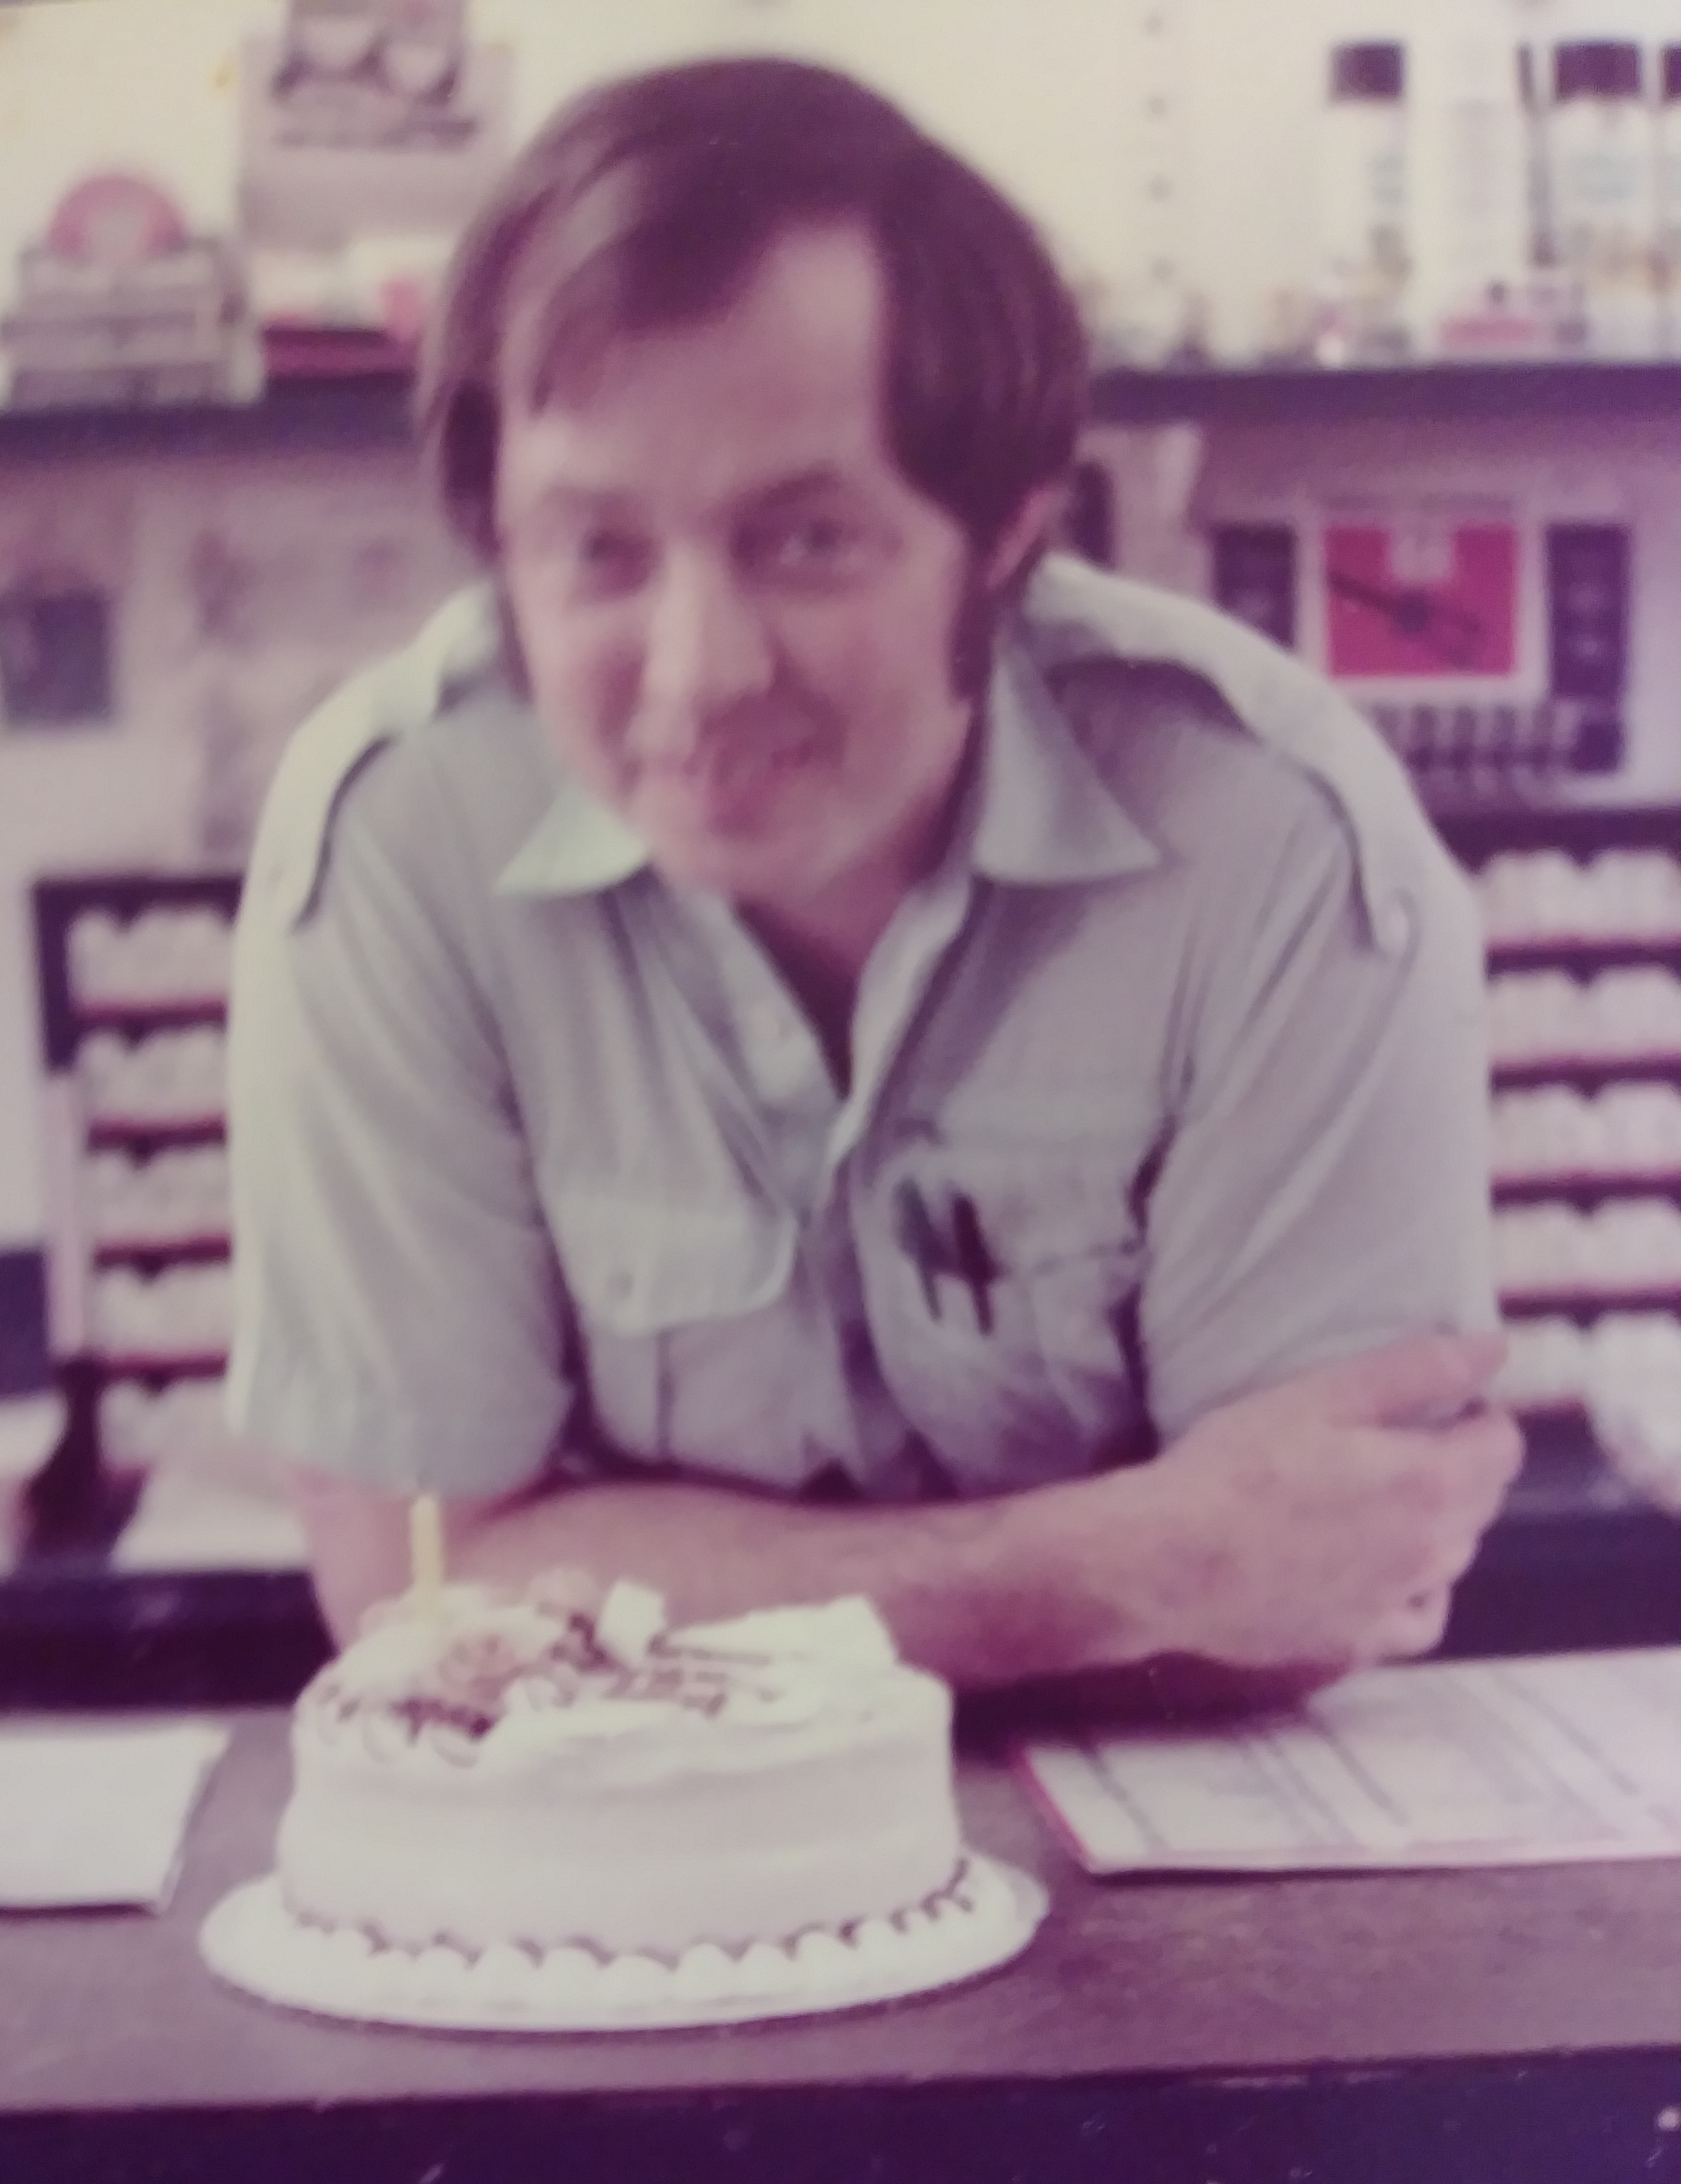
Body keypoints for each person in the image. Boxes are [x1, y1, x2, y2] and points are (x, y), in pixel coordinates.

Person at [227, 54, 1521, 1706]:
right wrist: (1135, 1563)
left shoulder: (1276, 840)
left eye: (806, 539)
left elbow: (1314, 1591)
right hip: (630, 1847)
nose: (698, 674)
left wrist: (644, 1586)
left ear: (1008, 532)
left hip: (1163, 1833)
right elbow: (420, 1593)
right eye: (600, 551)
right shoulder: (394, 844)